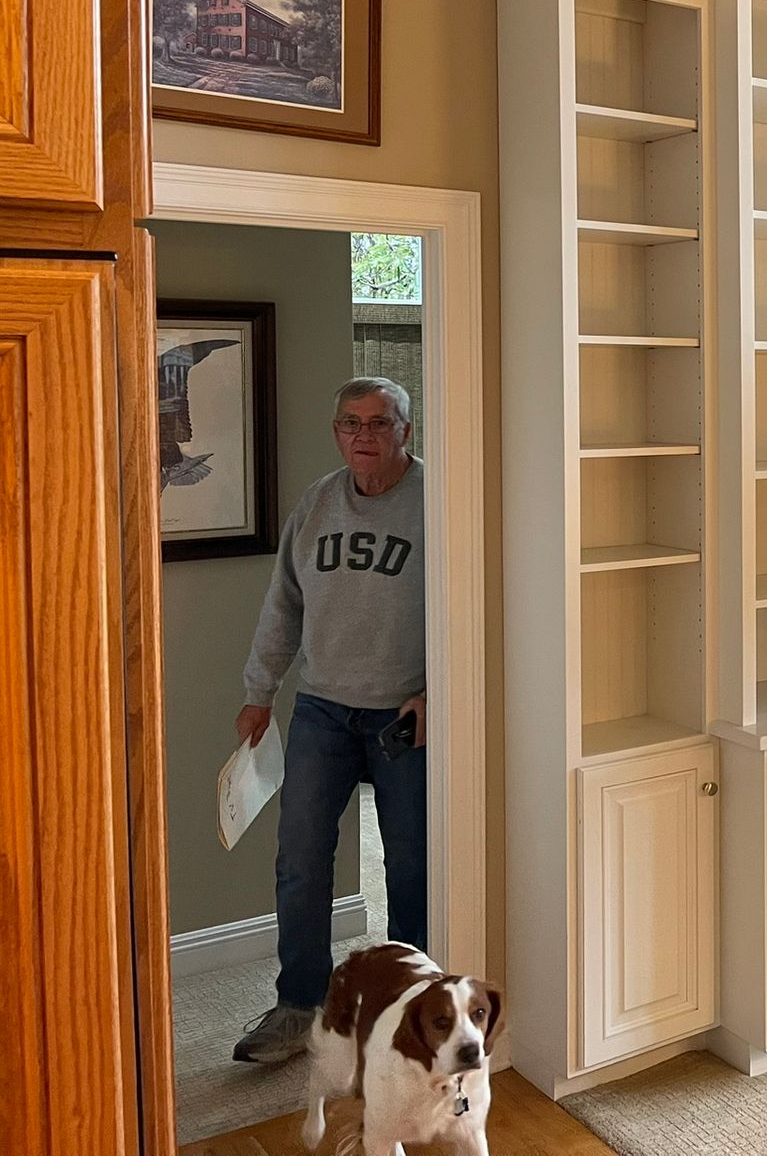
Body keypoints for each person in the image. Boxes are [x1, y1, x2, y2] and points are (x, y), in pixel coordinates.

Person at [231, 376, 429, 1064]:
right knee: (301, 860)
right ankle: (299, 1006)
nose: (365, 436)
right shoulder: (317, 503)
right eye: (352, 424)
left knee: (412, 866)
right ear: (337, 432)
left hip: (406, 714)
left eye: (380, 423)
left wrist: (441, 692)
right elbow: (283, 604)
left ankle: (408, 1005)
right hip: (321, 707)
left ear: (406, 429)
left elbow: (474, 604)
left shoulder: (438, 502)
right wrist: (261, 691)